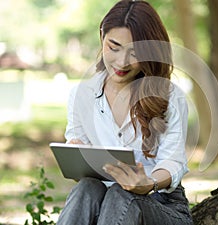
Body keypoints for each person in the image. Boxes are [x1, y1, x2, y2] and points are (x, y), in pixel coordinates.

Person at [56, 0, 193, 224]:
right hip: (104, 202)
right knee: (87, 187)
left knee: (121, 194)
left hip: (162, 206)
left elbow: (173, 162)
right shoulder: (81, 95)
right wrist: (77, 150)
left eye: (135, 53)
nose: (122, 62)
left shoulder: (170, 96)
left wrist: (148, 183)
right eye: (114, 47)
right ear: (102, 37)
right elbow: (77, 141)